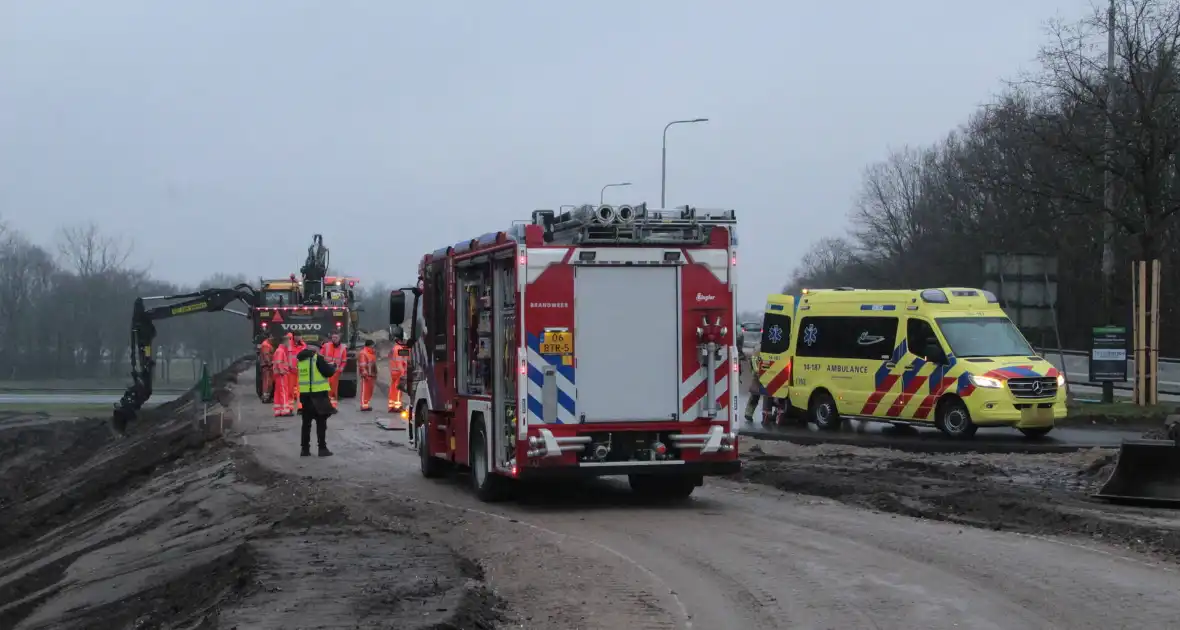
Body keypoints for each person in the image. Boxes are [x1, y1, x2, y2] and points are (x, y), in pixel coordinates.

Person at [297, 343, 337, 457]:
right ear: (316, 349)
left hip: (305, 396)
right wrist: (333, 367)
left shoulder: (301, 360)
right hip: (318, 395)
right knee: (321, 423)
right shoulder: (317, 359)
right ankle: (322, 449)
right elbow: (328, 372)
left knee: (306, 424)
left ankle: (305, 450)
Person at [319, 331, 348, 408]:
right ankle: (325, 405)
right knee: (325, 388)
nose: (334, 339)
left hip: (335, 372)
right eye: (333, 337)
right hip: (326, 371)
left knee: (334, 389)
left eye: (336, 337)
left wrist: (340, 369)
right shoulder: (326, 346)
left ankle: (333, 406)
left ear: (339, 338)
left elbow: (344, 360)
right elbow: (320, 357)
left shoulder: (343, 348)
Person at [388, 327, 410, 413]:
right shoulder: (399, 349)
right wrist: (403, 372)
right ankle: (397, 406)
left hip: (394, 372)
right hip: (398, 372)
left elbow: (407, 353)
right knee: (398, 390)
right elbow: (399, 361)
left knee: (393, 389)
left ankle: (392, 406)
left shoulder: (396, 348)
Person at [271, 333, 293, 417]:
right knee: (283, 392)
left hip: (278, 374)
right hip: (281, 374)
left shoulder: (278, 350)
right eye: (289, 341)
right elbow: (279, 362)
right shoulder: (281, 351)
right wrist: (282, 371)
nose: (289, 344)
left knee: (278, 392)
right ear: (285, 341)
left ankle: (278, 410)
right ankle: (284, 410)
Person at [286, 332, 308, 413]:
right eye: (296, 336)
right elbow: (285, 356)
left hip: (300, 371)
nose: (298, 338)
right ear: (293, 337)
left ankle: (300, 408)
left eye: (299, 336)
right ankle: (289, 408)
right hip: (290, 371)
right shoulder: (288, 345)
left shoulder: (304, 345)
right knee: (290, 390)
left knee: (301, 390)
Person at [357, 339, 378, 411]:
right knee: (365, 390)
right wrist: (365, 374)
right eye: (373, 346)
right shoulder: (364, 353)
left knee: (369, 391)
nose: (374, 347)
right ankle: (364, 405)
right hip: (367, 375)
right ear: (370, 345)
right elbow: (362, 365)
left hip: (371, 374)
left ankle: (366, 404)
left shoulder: (371, 353)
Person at [258, 334, 275, 403]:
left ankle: (267, 396)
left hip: (268, 366)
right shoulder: (266, 345)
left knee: (269, 382)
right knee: (267, 382)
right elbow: (266, 355)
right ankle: (265, 397)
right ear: (270, 337)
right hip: (267, 367)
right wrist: (270, 363)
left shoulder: (267, 344)